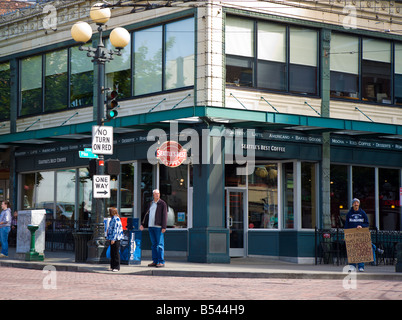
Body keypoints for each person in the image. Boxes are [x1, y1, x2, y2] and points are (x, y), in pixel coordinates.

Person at [140, 189, 168, 268]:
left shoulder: (162, 204)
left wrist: (164, 226)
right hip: (151, 226)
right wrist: (143, 224)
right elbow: (146, 215)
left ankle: (161, 261)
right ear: (153, 195)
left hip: (158, 227)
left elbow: (165, 216)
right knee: (154, 245)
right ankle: (155, 261)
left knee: (160, 245)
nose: (157, 195)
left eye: (158, 194)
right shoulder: (151, 203)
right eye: (156, 194)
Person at [106, 207, 124, 272]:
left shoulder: (116, 219)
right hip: (112, 238)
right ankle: (112, 266)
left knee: (116, 253)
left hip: (116, 239)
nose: (108, 213)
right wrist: (109, 238)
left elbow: (115, 230)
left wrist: (113, 239)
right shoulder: (112, 218)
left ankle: (116, 267)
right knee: (112, 253)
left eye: (109, 211)